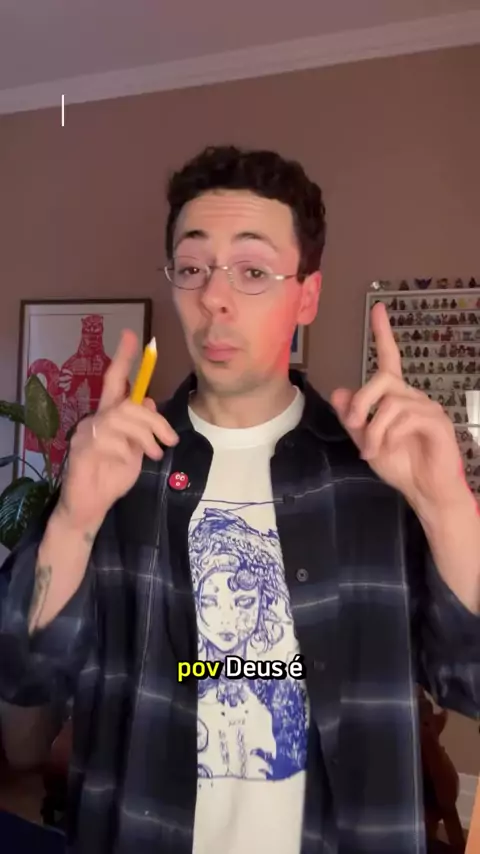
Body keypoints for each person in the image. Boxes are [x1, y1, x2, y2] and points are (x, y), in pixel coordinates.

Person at [0, 145, 479, 854]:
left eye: (252, 271)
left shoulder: (380, 477)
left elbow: (471, 682)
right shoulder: (117, 471)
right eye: (193, 267)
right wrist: (72, 521)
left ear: (307, 295)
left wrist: (449, 508)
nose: (214, 298)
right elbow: (22, 677)